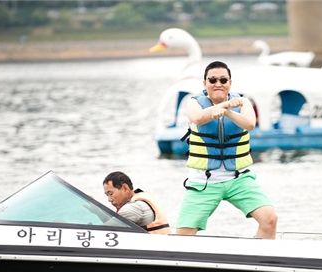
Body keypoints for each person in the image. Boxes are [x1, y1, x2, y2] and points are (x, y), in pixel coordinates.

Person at [176, 60, 277, 239]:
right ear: (204, 83)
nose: (218, 84)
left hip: (239, 178)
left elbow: (250, 124)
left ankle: (256, 263)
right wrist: (219, 107)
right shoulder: (194, 102)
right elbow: (197, 118)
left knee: (269, 219)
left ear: (230, 83)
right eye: (212, 80)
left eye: (223, 80)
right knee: (183, 235)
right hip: (204, 181)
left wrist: (228, 111)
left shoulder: (243, 101)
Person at [103, 171, 170, 234]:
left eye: (111, 194)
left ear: (125, 188)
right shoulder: (141, 200)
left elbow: (103, 230)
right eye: (107, 195)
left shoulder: (134, 207)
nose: (109, 199)